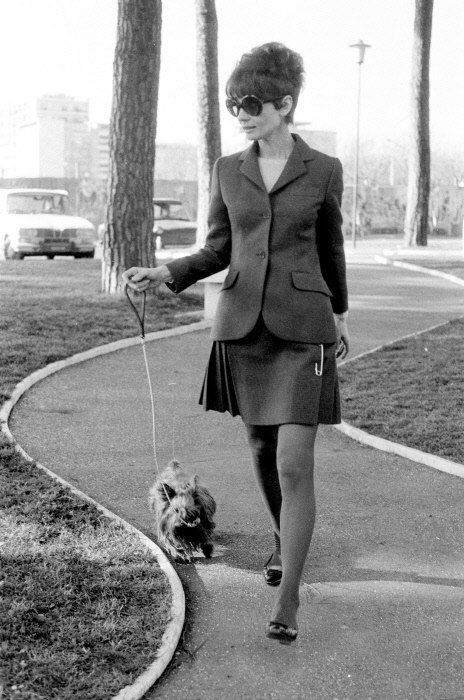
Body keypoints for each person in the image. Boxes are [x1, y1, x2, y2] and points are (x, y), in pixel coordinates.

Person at [123, 42, 349, 645]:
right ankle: (283, 537)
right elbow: (218, 247)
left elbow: (331, 250)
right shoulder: (228, 169)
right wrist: (166, 272)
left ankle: (289, 596)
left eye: (251, 103)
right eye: (233, 105)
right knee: (259, 452)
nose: (242, 114)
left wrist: (341, 313)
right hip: (244, 329)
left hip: (304, 331)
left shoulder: (324, 169)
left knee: (292, 462)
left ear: (284, 103)